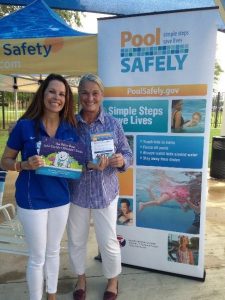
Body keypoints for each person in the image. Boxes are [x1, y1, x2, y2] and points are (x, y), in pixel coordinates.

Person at [1, 74, 78, 300]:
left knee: (53, 251)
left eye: (62, 94)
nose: (57, 97)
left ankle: (52, 295)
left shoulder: (70, 128)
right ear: (43, 94)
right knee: (37, 256)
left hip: (61, 199)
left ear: (66, 99)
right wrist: (23, 164)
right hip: (32, 199)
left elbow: (76, 163)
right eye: (52, 91)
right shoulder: (24, 126)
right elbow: (4, 160)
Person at [67, 73, 133, 300]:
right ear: (79, 95)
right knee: (76, 240)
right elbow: (62, 157)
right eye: (84, 92)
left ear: (102, 95)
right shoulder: (70, 124)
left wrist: (120, 160)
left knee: (108, 241)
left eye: (95, 93)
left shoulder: (114, 124)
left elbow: (127, 153)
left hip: (105, 193)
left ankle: (113, 280)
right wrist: (84, 164)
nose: (90, 98)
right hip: (77, 193)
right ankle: (81, 277)